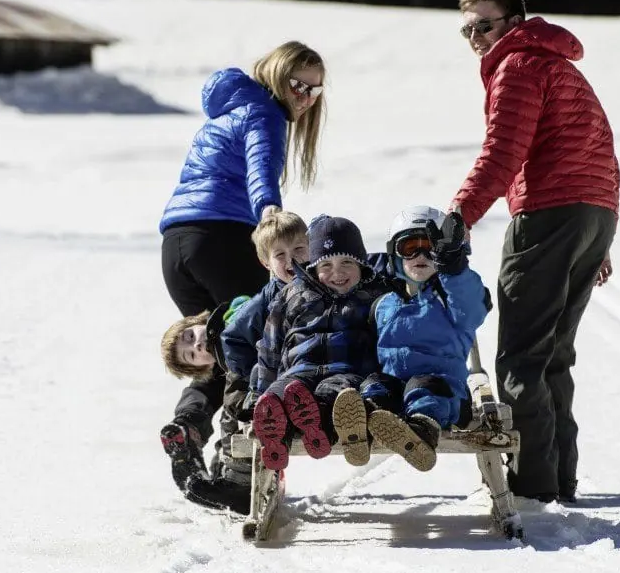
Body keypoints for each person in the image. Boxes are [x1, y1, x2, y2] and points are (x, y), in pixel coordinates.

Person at [449, 0, 620, 504]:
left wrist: (460, 214)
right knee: (553, 356)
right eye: (468, 28)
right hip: (591, 212)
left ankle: (533, 490)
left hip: (549, 215)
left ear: (514, 22)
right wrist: (596, 235)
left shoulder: (518, 65)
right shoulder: (559, 64)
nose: (477, 36)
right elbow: (599, 147)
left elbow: (504, 150)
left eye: (485, 24)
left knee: (523, 355)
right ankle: (558, 483)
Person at [157, 42, 326, 505]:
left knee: (216, 354)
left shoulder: (230, 108)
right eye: (298, 85)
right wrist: (268, 211)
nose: (306, 96)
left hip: (178, 246)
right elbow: (260, 167)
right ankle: (238, 472)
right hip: (222, 241)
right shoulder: (264, 113)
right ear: (276, 77)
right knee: (253, 350)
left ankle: (188, 428)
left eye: (314, 89)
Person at [158, 211, 309, 512]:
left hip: (286, 373)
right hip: (273, 378)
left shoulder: (234, 309)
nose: (197, 345)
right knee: (234, 413)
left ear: (197, 320)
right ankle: (227, 473)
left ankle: (229, 475)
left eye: (190, 337)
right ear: (204, 367)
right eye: (193, 355)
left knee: (234, 408)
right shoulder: (222, 363)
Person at [338, 206, 490, 472]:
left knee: (423, 390)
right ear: (395, 255)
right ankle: (367, 424)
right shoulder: (384, 304)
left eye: (430, 248)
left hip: (444, 387)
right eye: (410, 247)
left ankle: (421, 433)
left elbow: (472, 309)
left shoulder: (452, 297)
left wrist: (454, 270)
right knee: (377, 385)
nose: (420, 255)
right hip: (396, 385)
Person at [249, 215, 386, 472]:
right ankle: (276, 438)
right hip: (297, 372)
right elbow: (270, 345)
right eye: (326, 265)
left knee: (334, 395)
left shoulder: (374, 294)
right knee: (280, 396)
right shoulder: (293, 293)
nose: (337, 273)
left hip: (347, 371)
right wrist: (261, 391)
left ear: (362, 263)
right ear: (313, 265)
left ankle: (318, 430)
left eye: (347, 262)